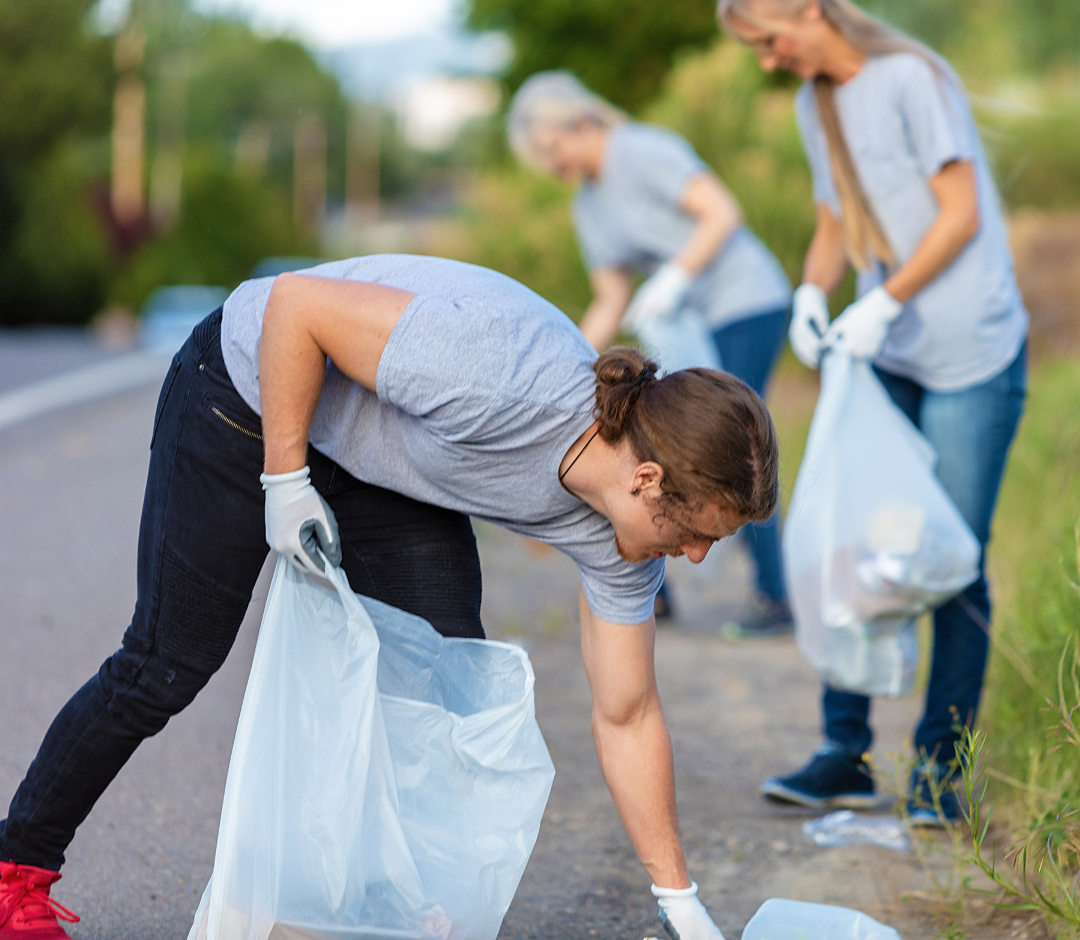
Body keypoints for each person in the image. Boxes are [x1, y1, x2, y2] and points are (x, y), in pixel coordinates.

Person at [0, 254, 779, 940]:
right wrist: (285, 481)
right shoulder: (499, 376)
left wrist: (679, 900)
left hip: (384, 461)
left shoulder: (625, 546)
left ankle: (386, 900)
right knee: (167, 660)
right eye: (699, 533)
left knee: (437, 676)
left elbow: (629, 714)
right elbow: (295, 306)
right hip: (249, 391)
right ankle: (16, 871)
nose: (699, 558)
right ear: (647, 480)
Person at [718, 0, 1028, 824]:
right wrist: (816, 291)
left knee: (951, 561)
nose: (768, 60)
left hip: (971, 350)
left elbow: (960, 215)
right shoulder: (818, 105)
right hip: (886, 355)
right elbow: (834, 220)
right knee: (856, 544)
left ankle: (938, 772)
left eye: (768, 40)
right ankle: (844, 752)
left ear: (810, 11)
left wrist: (885, 298)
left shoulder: (910, 79)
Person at [507, 72, 793, 635]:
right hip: (683, 320)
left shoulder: (641, 151)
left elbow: (721, 212)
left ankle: (774, 596)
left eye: (549, 147)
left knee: (730, 448)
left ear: (579, 120)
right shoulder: (588, 206)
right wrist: (570, 362)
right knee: (656, 443)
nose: (549, 162)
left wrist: (677, 277)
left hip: (744, 300)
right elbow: (611, 295)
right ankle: (653, 590)